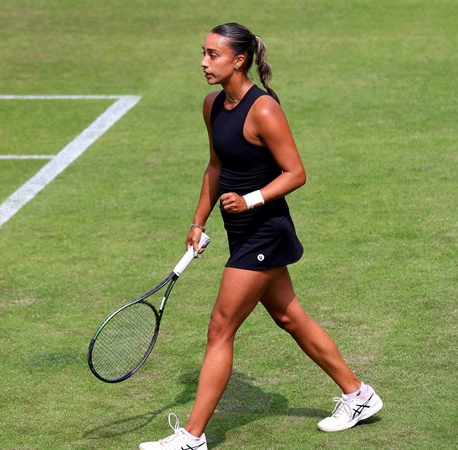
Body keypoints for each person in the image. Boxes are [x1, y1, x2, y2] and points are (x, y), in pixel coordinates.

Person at [139, 23, 382, 450]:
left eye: (213, 55)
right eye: (203, 52)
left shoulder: (264, 109)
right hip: (240, 232)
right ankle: (358, 394)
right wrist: (199, 222)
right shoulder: (212, 105)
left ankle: (192, 437)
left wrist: (250, 200)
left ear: (239, 60)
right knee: (290, 318)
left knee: (220, 329)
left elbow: (296, 173)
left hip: (264, 232)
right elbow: (215, 167)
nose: (202, 62)